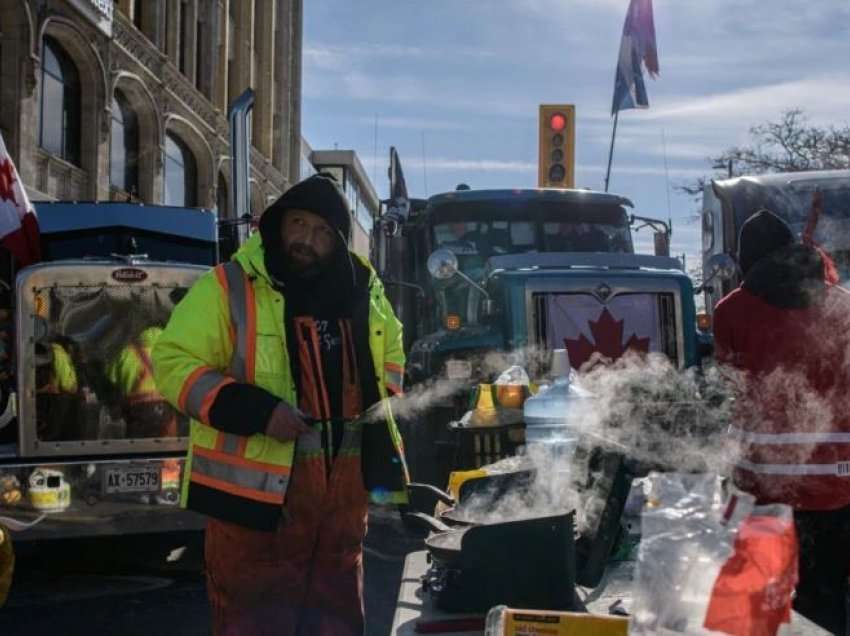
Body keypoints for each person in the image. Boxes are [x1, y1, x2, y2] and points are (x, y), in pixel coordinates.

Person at [152, 173, 409, 636]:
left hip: (340, 512)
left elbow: (391, 356)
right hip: (253, 507)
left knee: (337, 624)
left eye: (321, 232)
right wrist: (257, 411)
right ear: (277, 224)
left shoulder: (363, 292)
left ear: (338, 241)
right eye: (298, 224)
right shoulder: (229, 286)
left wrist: (381, 406)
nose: (306, 240)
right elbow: (173, 363)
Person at [713, 209, 850, 634]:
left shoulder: (731, 311)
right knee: (826, 600)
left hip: (762, 486)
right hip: (837, 484)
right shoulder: (844, 304)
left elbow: (728, 391)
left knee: (760, 601)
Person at [105, 326, 177, 438]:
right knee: (167, 448)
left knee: (137, 449)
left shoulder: (125, 353)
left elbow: (111, 378)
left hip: (136, 409)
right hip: (164, 407)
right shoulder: (169, 354)